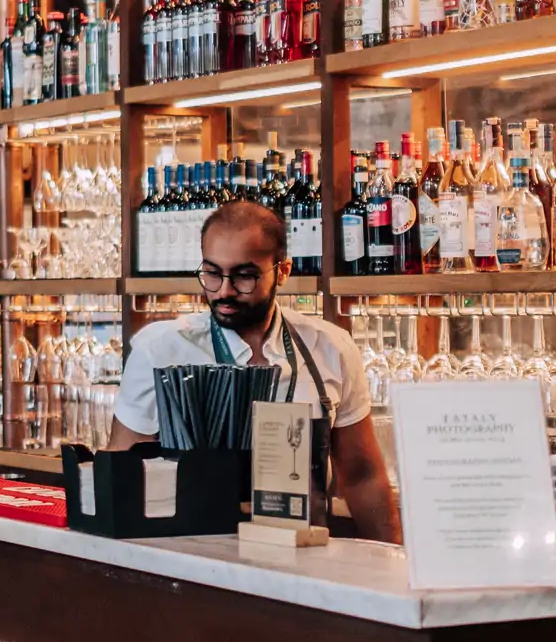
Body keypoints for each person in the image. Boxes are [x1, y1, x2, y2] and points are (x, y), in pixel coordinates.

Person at [104, 199, 400, 542]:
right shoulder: (159, 351)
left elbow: (363, 476)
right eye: (212, 274)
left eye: (244, 276)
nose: (224, 291)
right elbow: (123, 475)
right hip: (190, 565)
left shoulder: (329, 348)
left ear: (283, 271)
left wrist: (393, 561)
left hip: (305, 563)